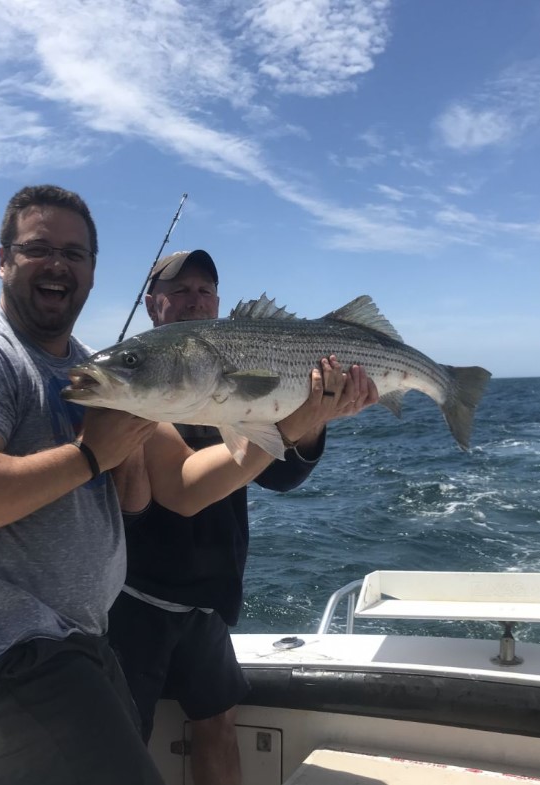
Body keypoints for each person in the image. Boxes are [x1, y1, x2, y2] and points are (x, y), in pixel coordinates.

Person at [0, 187, 331, 785]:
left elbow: (184, 485)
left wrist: (293, 427)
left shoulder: (97, 368)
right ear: (3, 259)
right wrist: (90, 455)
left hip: (81, 639)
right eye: (38, 248)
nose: (57, 264)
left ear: (94, 271)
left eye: (74, 253)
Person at [109, 249, 379, 785]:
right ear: (153, 304)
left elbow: (279, 476)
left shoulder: (230, 371)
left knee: (218, 725)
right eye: (180, 291)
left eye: (205, 291)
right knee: (124, 738)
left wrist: (313, 419)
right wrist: (293, 421)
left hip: (210, 594)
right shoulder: (136, 384)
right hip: (136, 597)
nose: (195, 300)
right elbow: (178, 489)